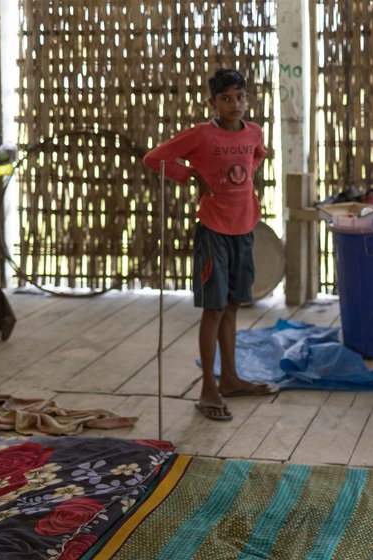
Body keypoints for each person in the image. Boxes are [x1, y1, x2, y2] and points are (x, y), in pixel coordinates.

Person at [143, 68, 278, 421]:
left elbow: (256, 156)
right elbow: (154, 158)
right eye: (226, 98)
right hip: (213, 231)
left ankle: (230, 378)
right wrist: (189, 175)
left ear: (247, 100)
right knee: (214, 309)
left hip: (244, 228)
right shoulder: (201, 135)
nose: (234, 104)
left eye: (240, 97)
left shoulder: (254, 132)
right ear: (212, 102)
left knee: (233, 306)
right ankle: (208, 388)